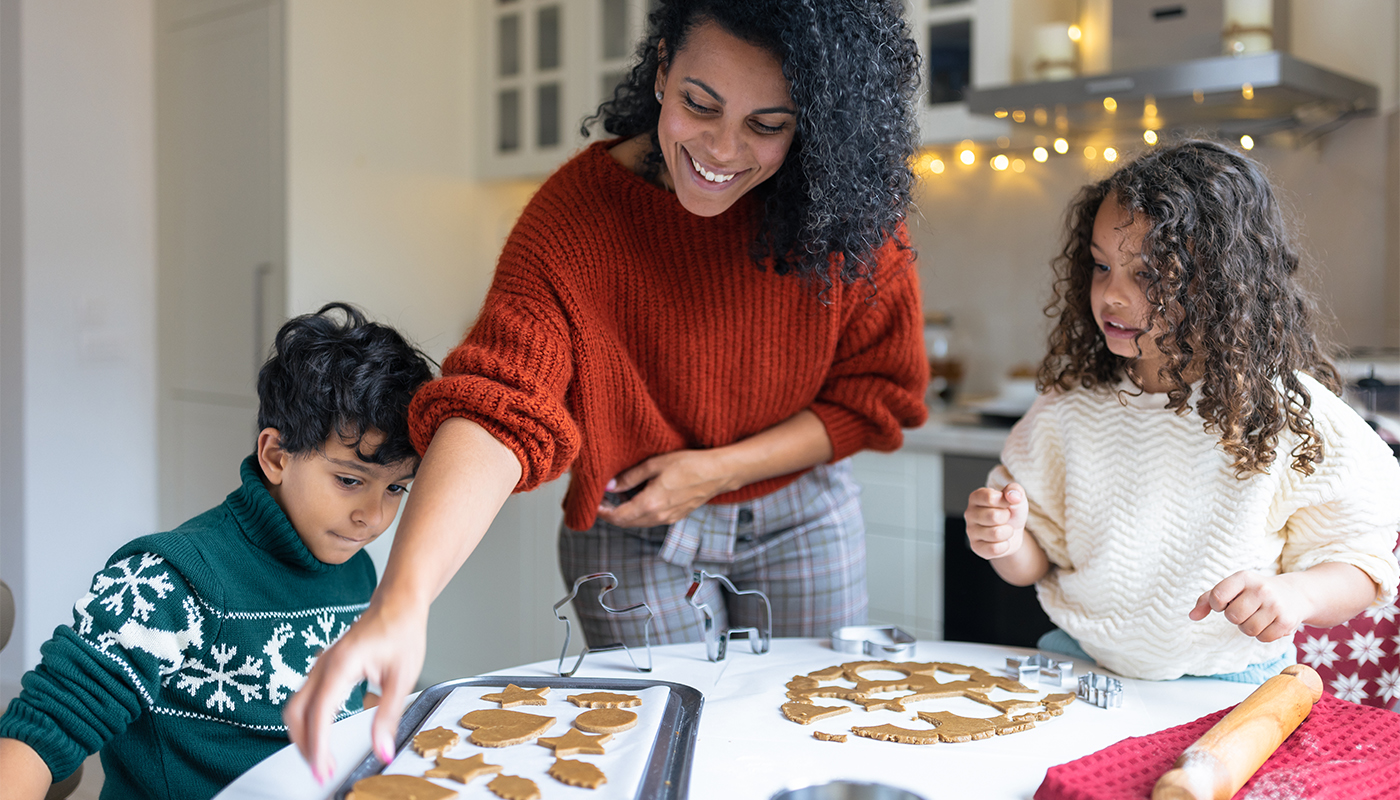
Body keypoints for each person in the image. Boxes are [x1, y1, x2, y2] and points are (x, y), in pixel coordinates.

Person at [284, 0, 928, 781]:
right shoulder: (575, 219)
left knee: (814, 739)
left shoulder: (851, 221)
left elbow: (877, 395)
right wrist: (402, 603)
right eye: (699, 103)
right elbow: (497, 403)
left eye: (768, 124)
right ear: (661, 70)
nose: (723, 150)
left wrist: (716, 469)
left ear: (813, 123)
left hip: (804, 515)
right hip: (633, 527)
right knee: (667, 752)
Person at [965, 140, 1400, 682]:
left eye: (1147, 274)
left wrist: (1298, 592)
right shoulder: (1069, 408)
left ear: (1221, 282)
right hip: (1081, 662)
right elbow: (1038, 561)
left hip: (1233, 676)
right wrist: (1005, 541)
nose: (1112, 295)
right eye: (1101, 266)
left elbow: (1361, 561)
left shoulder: (1284, 410)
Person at [0, 303, 434, 800]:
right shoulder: (167, 581)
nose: (373, 517)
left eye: (396, 489)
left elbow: (354, 704)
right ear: (275, 456)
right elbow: (37, 739)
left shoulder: (356, 571)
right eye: (349, 481)